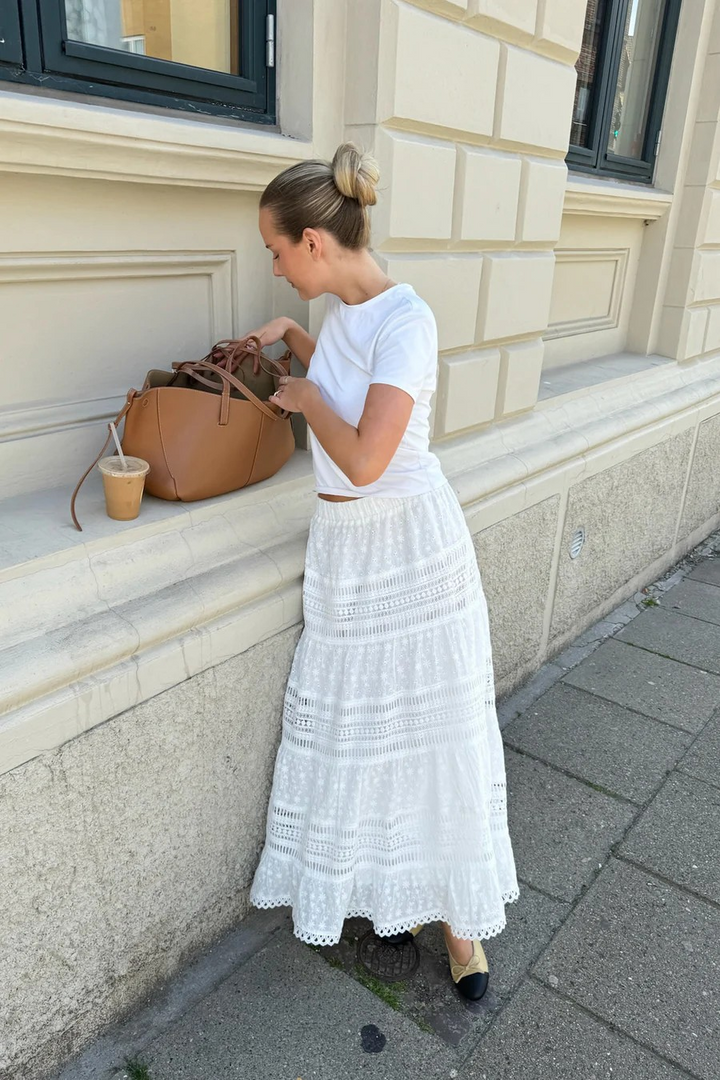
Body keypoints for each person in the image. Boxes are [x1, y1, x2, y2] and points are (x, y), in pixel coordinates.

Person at [243, 143, 519, 1001]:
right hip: (348, 555)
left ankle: (462, 928)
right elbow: (345, 369)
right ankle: (388, 891)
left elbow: (365, 456)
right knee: (367, 731)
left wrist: (302, 398)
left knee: (438, 732)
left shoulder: (409, 319)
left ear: (315, 245)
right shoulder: (347, 315)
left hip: (408, 546)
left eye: (277, 251)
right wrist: (292, 340)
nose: (276, 265)